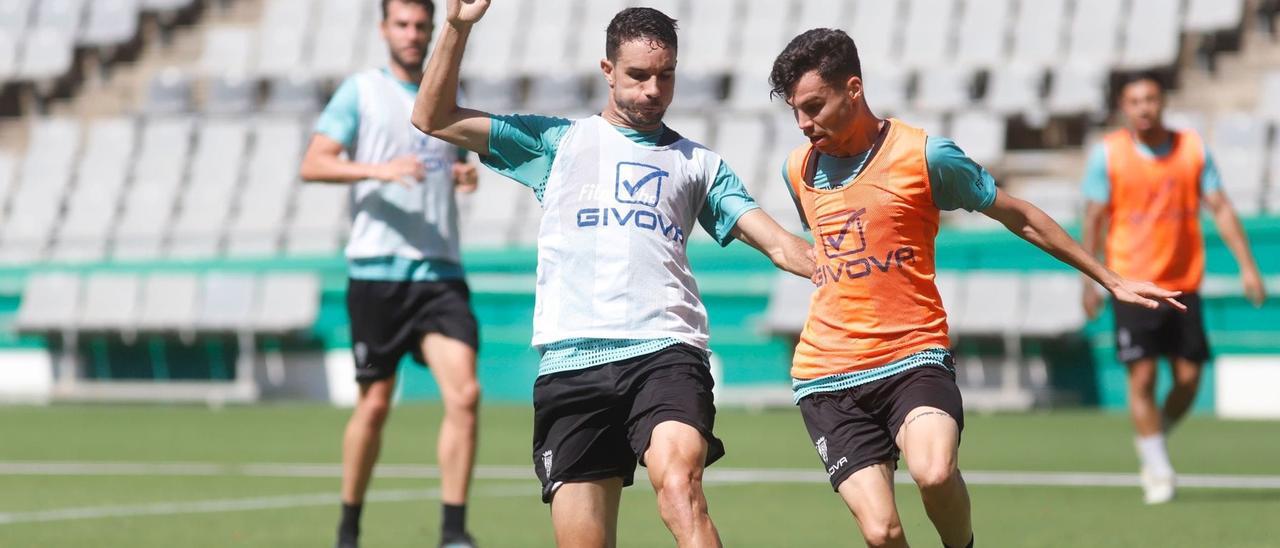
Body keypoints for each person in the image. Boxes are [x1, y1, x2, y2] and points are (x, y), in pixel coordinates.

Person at [411, 2, 815, 546]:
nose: (653, 89)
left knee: (678, 486)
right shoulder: (554, 142)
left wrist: (834, 265)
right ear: (608, 72)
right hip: (571, 362)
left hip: (664, 353)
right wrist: (457, 26)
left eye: (665, 75)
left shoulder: (701, 164)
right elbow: (432, 117)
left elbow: (779, 243)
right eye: (638, 75)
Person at [768, 29, 1185, 547]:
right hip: (827, 372)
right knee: (881, 533)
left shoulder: (927, 156)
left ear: (853, 89)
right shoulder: (797, 169)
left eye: (814, 106)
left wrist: (1109, 277)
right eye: (795, 112)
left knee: (935, 471)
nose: (805, 124)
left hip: (910, 356)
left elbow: (1021, 217)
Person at [298, 1, 481, 546]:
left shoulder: (442, 94)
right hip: (378, 274)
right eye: (402, 24)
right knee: (374, 404)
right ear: (384, 29)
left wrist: (461, 175)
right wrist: (379, 169)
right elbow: (314, 162)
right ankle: (349, 526)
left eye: (421, 25)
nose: (412, 34)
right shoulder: (361, 92)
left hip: (440, 271)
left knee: (466, 394)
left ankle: (452, 531)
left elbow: (444, 165)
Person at [1080, 73, 1267, 505]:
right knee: (1142, 374)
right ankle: (1159, 469)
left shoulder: (1193, 149)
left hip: (1183, 282)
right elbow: (1093, 219)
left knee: (1189, 378)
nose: (1143, 107)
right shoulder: (1107, 154)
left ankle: (1153, 438)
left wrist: (1248, 266)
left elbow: (1219, 206)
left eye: (1150, 99)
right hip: (1132, 283)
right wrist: (1090, 281)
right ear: (1124, 108)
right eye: (1134, 100)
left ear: (1163, 102)